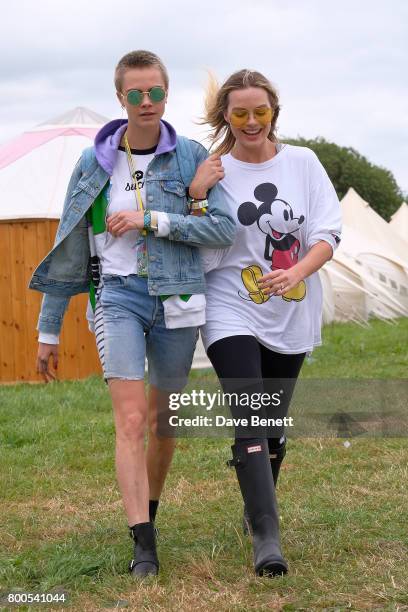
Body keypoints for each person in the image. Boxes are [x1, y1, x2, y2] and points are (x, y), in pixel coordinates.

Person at [29, 50, 235, 578]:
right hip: (117, 296)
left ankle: (151, 511)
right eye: (136, 94)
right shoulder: (94, 161)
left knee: (164, 422)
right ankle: (142, 541)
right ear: (120, 99)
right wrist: (48, 329)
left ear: (167, 95)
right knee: (132, 418)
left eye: (156, 93)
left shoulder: (191, 156)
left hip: (178, 297)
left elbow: (222, 230)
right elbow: (68, 243)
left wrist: (155, 220)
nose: (147, 103)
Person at [197, 69, 342, 577]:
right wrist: (196, 194)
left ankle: (255, 502)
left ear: (273, 112)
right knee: (252, 413)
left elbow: (328, 231)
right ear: (226, 116)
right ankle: (267, 537)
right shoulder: (213, 170)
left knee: (273, 423)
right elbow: (197, 231)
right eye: (240, 113)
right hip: (229, 304)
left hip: (292, 305)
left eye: (260, 112)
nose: (252, 121)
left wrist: (297, 271)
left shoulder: (303, 163)